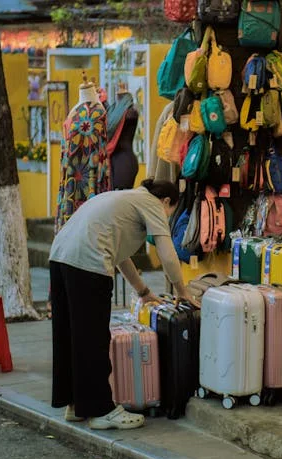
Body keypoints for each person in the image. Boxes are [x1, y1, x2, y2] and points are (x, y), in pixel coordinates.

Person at [48, 178, 195, 430]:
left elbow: (121, 257)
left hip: (60, 256)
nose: (167, 217)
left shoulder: (123, 198)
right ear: (166, 201)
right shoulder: (151, 203)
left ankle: (75, 404)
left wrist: (143, 291)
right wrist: (183, 291)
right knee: (93, 338)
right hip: (88, 263)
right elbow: (167, 253)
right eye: (170, 213)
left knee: (71, 336)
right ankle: (101, 411)